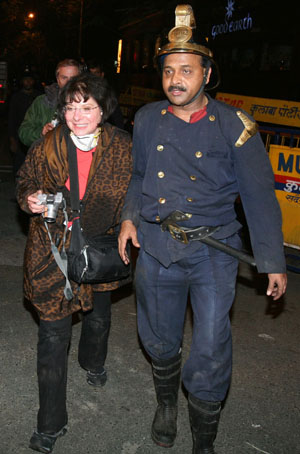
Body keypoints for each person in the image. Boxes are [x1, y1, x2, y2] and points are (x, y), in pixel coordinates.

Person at [118, 5, 287, 454]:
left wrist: (272, 262)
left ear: (207, 74)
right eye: (169, 71)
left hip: (214, 252)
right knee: (158, 338)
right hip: (155, 248)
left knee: (211, 349)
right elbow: (138, 175)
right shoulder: (148, 118)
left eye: (186, 71)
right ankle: (166, 406)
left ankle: (204, 441)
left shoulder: (236, 127)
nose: (176, 80)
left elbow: (259, 198)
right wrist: (129, 218)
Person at [16, 72, 132, 453]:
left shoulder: (122, 147)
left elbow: (139, 194)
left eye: (87, 108)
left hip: (98, 249)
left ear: (104, 111)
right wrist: (30, 198)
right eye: (70, 107)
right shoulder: (48, 144)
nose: (77, 116)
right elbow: (25, 181)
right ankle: (51, 422)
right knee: (52, 336)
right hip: (53, 251)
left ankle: (93, 361)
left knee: (97, 317)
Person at [18, 59, 81, 148]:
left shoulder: (90, 103)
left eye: (73, 78)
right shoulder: (42, 102)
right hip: (49, 157)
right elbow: (23, 132)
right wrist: (41, 132)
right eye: (64, 78)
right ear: (58, 79)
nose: (68, 83)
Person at [8, 69, 42, 175]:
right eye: (25, 80)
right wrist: (12, 139)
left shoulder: (39, 97)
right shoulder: (16, 97)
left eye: (30, 80)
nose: (28, 82)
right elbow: (11, 119)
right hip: (20, 137)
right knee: (19, 167)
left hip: (36, 136)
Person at [87, 58, 125, 129]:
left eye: (96, 73)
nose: (93, 77)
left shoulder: (108, 94)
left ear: (102, 74)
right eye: (91, 74)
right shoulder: (82, 92)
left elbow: (117, 117)